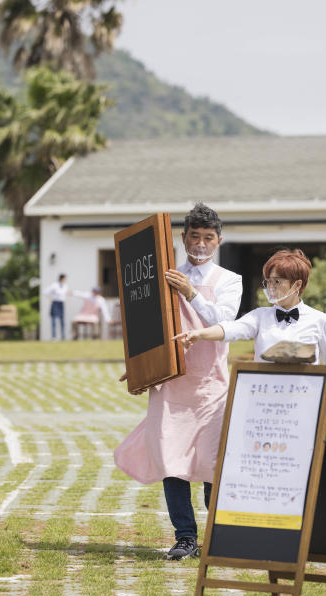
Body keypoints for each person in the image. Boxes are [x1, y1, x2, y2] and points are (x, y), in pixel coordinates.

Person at [114, 203, 243, 560]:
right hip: (170, 384)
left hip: (211, 385)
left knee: (211, 463)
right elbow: (147, 325)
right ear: (183, 238)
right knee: (172, 462)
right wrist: (141, 366)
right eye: (194, 237)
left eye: (208, 238)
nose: (200, 244)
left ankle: (219, 534)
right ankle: (184, 537)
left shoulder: (230, 280)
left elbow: (225, 322)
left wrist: (191, 292)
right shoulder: (162, 275)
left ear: (219, 240)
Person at [174, 248, 326, 418]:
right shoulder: (260, 316)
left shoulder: (320, 320)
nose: (271, 286)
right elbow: (231, 329)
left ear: (297, 285)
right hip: (263, 402)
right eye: (268, 281)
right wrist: (199, 334)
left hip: (305, 403)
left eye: (277, 281)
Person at [44, 273, 68, 340]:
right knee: (54, 321)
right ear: (62, 278)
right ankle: (54, 337)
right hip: (55, 303)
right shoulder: (54, 285)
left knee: (62, 321)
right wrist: (50, 297)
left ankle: (63, 336)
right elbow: (45, 292)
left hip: (61, 303)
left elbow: (64, 294)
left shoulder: (65, 286)